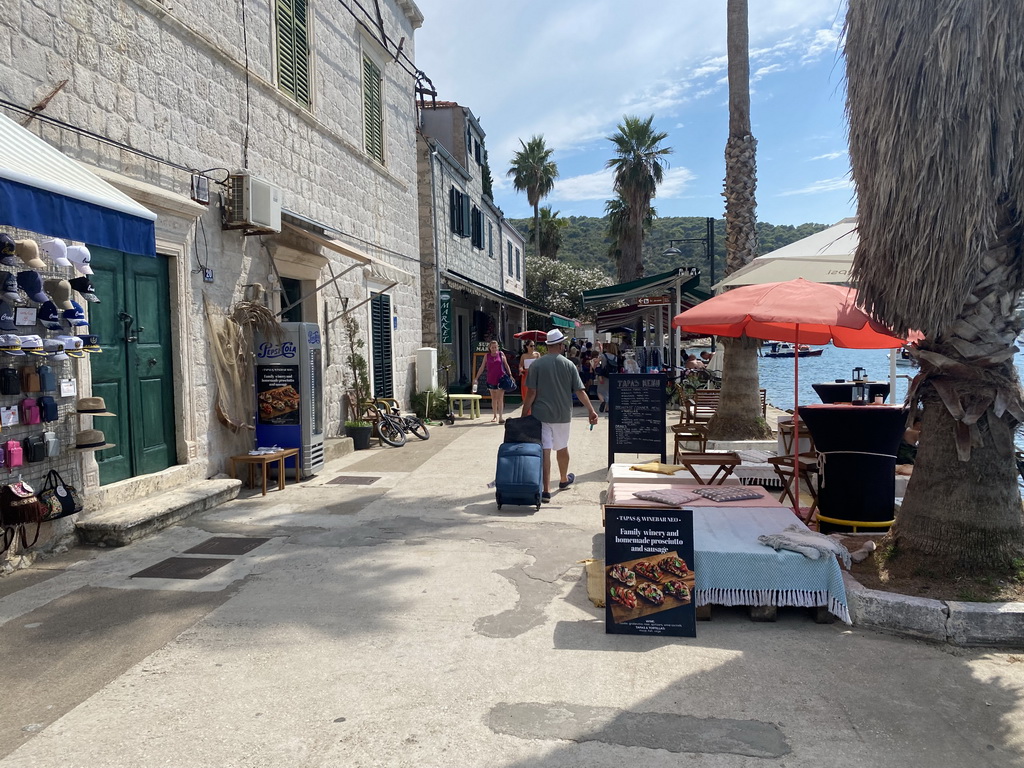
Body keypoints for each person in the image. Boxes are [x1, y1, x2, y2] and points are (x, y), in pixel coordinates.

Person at [523, 329, 599, 503]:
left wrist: (524, 412)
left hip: (540, 414)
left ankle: (546, 490)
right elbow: (580, 391)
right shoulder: (569, 365)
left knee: (545, 450)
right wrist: (590, 410)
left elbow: (531, 393)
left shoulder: (536, 365)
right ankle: (563, 479)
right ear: (560, 345)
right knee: (562, 448)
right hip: (563, 414)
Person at [473, 339, 514, 424]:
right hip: (491, 379)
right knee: (494, 398)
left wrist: (510, 375)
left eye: (495, 347)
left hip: (501, 379)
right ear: (490, 348)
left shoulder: (501, 354)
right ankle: (495, 415)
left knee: (500, 398)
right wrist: (476, 378)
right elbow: (481, 367)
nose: (494, 349)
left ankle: (501, 417)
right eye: (492, 347)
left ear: (498, 347)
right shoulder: (487, 356)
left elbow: (506, 365)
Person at [595, 341, 619, 414]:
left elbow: (596, 362)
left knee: (600, 391)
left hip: (603, 375)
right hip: (612, 376)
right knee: (609, 392)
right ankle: (607, 408)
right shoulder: (615, 357)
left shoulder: (603, 356)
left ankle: (603, 401)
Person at [518, 340, 541, 405]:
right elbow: (521, 365)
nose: (532, 347)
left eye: (534, 345)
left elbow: (540, 365)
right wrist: (520, 370)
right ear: (527, 346)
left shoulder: (537, 354)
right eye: (531, 346)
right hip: (526, 375)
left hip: (535, 375)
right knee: (526, 392)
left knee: (535, 392)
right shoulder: (524, 356)